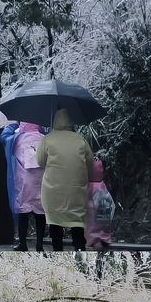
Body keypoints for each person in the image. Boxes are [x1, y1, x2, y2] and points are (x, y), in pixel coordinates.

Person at [36, 108, 94, 251]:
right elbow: (90, 162)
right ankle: (80, 248)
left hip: (52, 190)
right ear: (70, 121)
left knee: (55, 222)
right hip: (76, 190)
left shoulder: (47, 139)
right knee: (77, 222)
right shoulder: (80, 139)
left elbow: (40, 161)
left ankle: (57, 249)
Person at [11, 122, 47, 251]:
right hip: (41, 179)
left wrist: (12, 127)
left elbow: (11, 150)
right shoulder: (44, 139)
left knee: (23, 212)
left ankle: (23, 244)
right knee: (41, 212)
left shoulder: (18, 140)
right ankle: (39, 244)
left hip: (24, 180)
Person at [85, 159, 115, 252]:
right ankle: (102, 238)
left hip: (93, 217)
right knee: (102, 230)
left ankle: (94, 240)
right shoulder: (102, 185)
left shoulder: (89, 186)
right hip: (104, 217)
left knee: (92, 229)